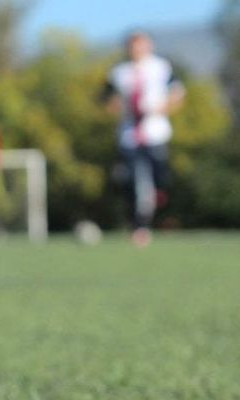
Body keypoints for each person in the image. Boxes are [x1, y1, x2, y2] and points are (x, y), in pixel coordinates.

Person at [103, 31, 185, 247]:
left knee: (160, 181)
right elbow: (106, 98)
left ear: (149, 46)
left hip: (155, 132)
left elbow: (177, 93)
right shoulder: (119, 72)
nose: (137, 50)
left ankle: (164, 219)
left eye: (141, 45)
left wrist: (162, 108)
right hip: (129, 135)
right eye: (133, 46)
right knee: (129, 180)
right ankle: (138, 226)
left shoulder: (161, 67)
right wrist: (117, 108)